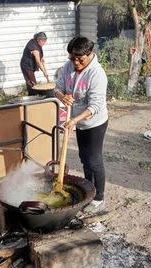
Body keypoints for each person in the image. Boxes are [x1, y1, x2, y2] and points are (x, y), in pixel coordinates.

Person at [55, 36, 108, 213]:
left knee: (94, 159)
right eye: (72, 58)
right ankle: (89, 190)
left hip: (94, 122)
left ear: (90, 54)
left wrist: (74, 121)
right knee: (84, 159)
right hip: (76, 122)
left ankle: (99, 197)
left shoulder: (97, 74)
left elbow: (95, 105)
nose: (76, 62)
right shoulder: (68, 66)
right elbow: (58, 87)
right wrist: (63, 96)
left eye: (80, 59)